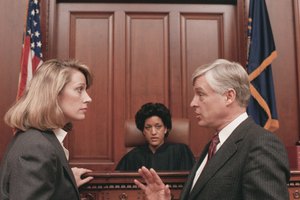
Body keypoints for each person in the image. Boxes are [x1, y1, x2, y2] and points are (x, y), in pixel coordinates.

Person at [134, 59, 290, 200]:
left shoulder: (261, 145)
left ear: (229, 96)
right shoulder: (214, 145)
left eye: (200, 94)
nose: (193, 103)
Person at [0, 59, 94, 200]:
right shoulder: (36, 147)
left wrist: (65, 182)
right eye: (79, 89)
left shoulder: (38, 139)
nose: (88, 98)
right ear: (53, 93)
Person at [116, 102, 195, 171]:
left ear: (165, 129)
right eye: (148, 127)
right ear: (143, 131)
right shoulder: (132, 157)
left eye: (158, 127)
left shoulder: (181, 152)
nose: (153, 132)